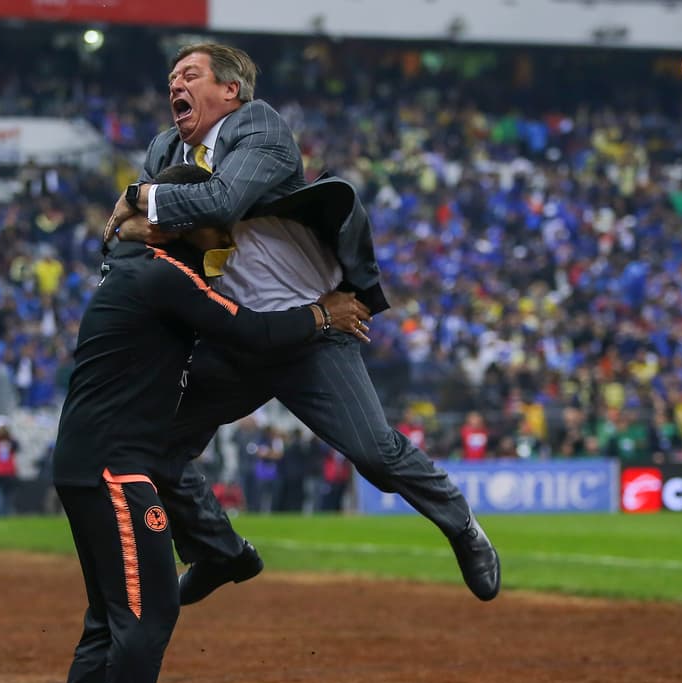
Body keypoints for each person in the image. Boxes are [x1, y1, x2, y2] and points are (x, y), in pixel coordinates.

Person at [16, 164, 371, 683]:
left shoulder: (134, 268)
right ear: (186, 221)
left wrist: (127, 209)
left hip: (94, 462)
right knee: (150, 616)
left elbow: (126, 238)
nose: (230, 229)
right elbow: (252, 332)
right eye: (219, 215)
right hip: (119, 470)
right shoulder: (166, 275)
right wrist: (325, 313)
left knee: (111, 619)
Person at [107, 42, 500, 604]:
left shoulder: (259, 126)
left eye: (189, 75)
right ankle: (219, 551)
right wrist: (141, 218)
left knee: (374, 453)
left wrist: (138, 198)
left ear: (230, 91)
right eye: (171, 77)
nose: (175, 85)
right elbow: (145, 238)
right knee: (154, 444)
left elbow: (217, 203)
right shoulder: (166, 146)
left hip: (315, 327)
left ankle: (462, 524)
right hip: (236, 332)